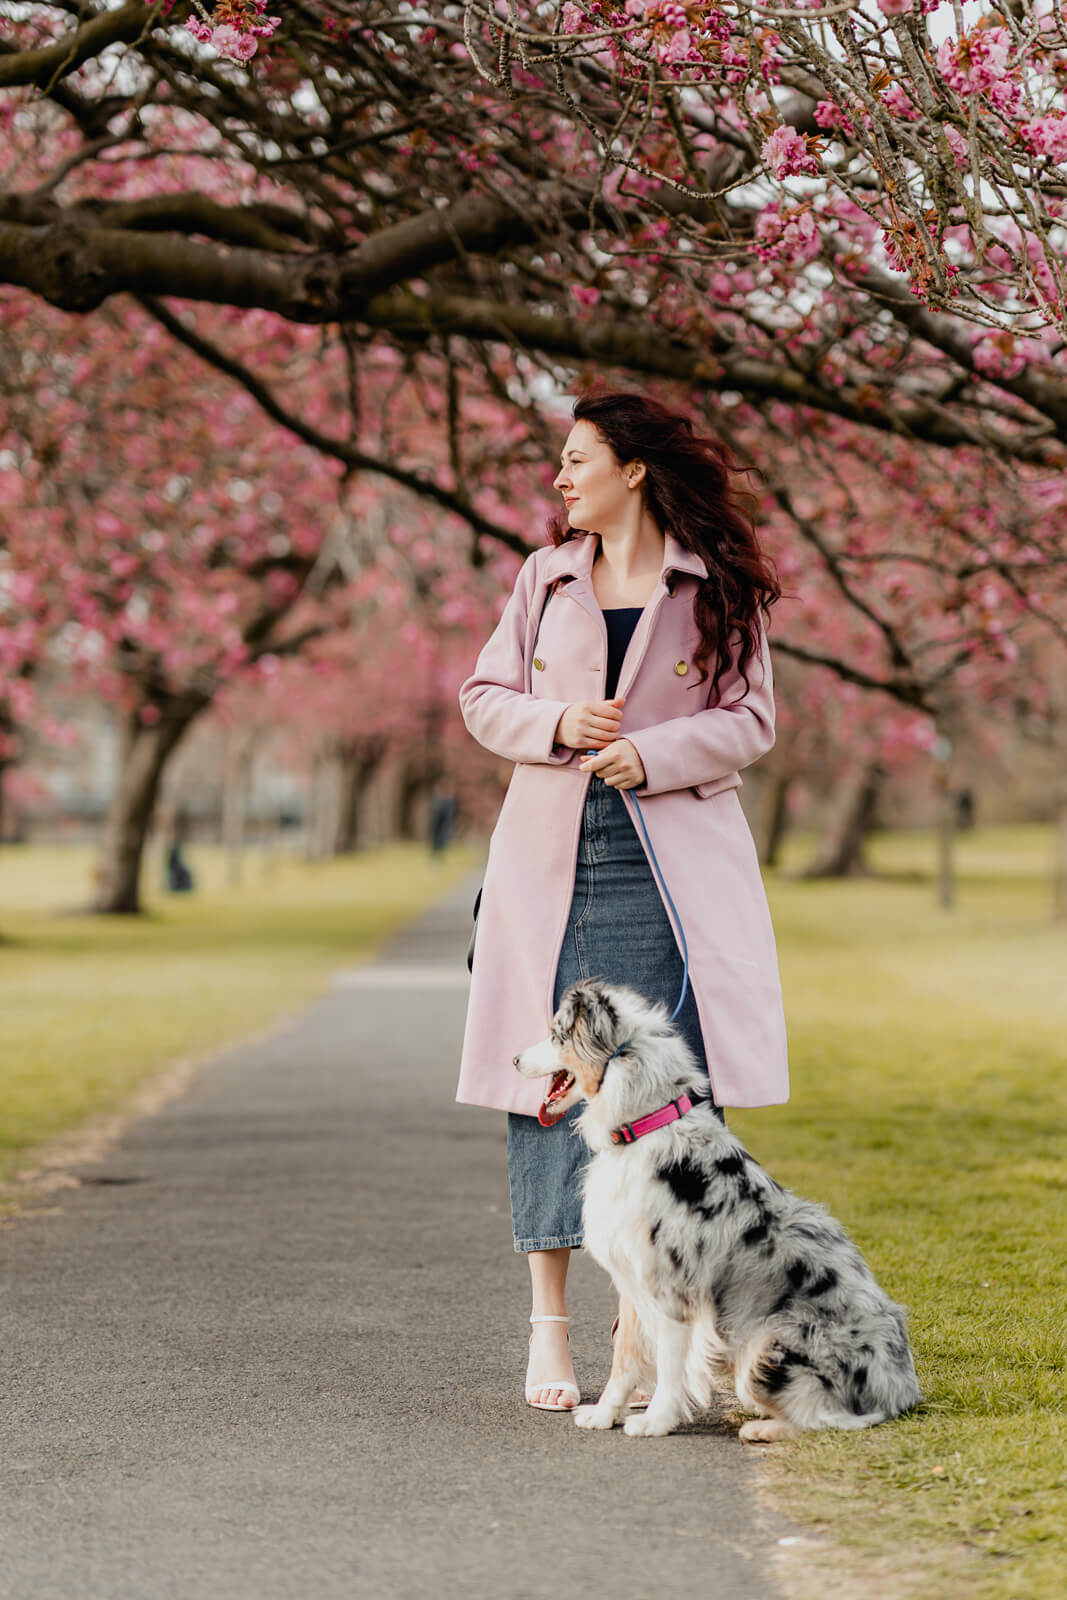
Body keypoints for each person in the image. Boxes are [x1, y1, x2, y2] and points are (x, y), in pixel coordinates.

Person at [455, 390, 790, 1412]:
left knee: (662, 1096)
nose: (560, 478)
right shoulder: (543, 579)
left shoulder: (711, 585)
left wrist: (653, 750)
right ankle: (547, 1326)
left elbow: (750, 717)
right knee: (549, 1084)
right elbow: (482, 697)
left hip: (669, 865)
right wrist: (560, 722)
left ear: (632, 469)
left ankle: (643, 1338)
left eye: (576, 459)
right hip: (553, 854)